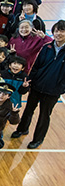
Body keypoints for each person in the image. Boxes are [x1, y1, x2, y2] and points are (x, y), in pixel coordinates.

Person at [11, 20, 65, 148]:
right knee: (29, 109)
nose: (58, 34)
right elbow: (36, 67)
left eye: (62, 31)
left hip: (53, 91)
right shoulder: (47, 48)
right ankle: (22, 129)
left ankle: (38, 139)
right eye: (56, 30)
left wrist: (61, 88)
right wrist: (31, 82)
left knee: (44, 115)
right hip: (37, 86)